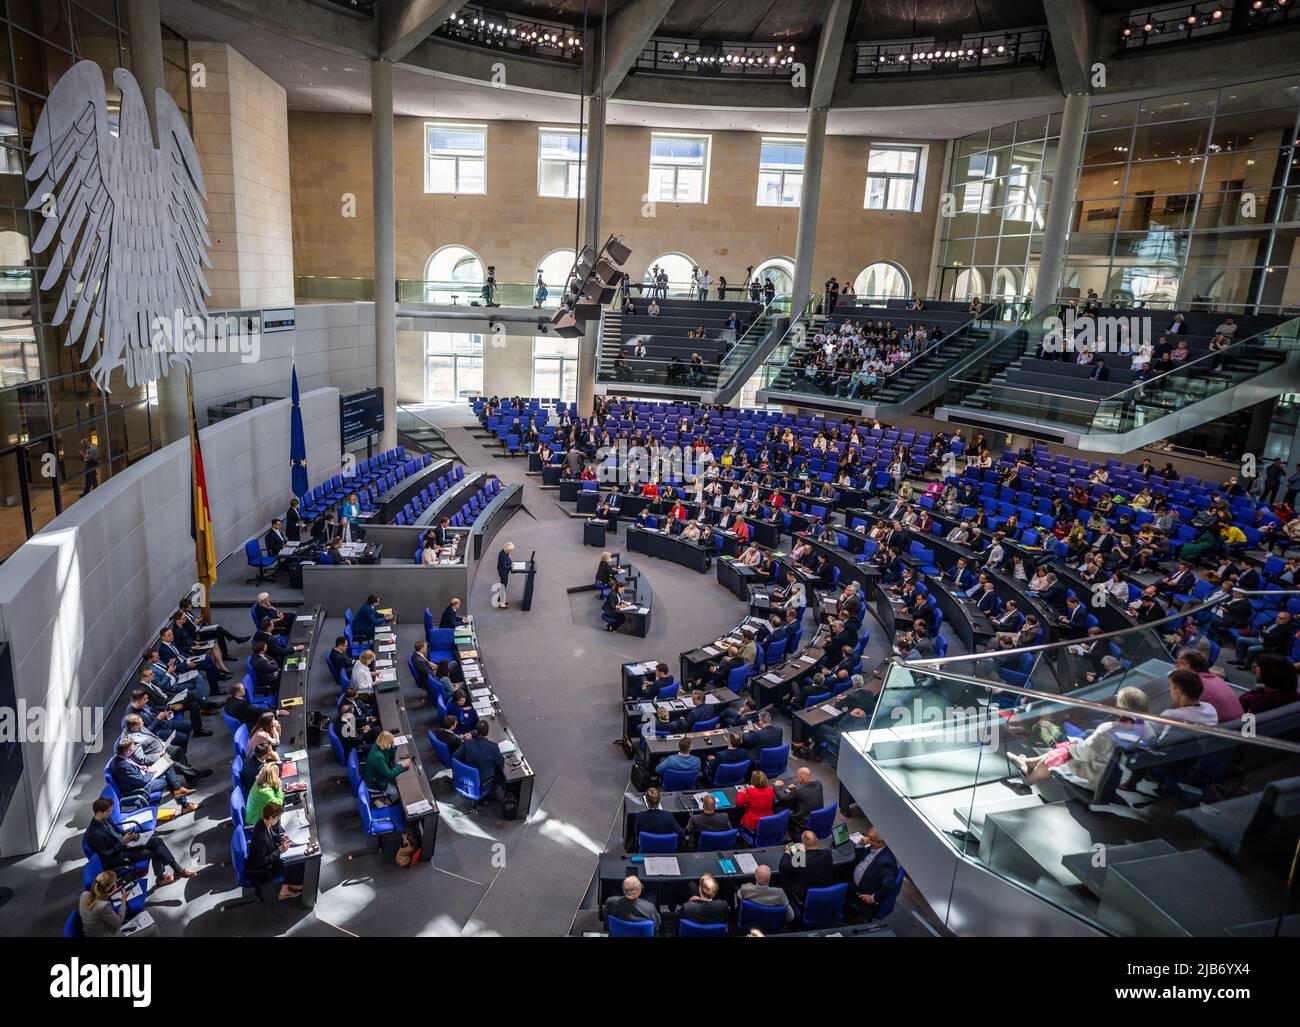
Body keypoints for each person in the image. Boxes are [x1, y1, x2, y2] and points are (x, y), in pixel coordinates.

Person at [1009, 687, 1157, 784]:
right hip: (1121, 775)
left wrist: (1073, 746)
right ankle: (1028, 763)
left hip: (1097, 774)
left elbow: (1085, 754)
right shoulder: (1148, 729)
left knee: (1064, 751)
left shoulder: (1109, 729)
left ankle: (1030, 778)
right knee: (1069, 746)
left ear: (1122, 707)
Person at [85, 796, 199, 888]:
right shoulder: (95, 834)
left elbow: (117, 830)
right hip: (117, 856)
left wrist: (131, 835)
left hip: (124, 844)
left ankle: (177, 870)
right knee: (154, 853)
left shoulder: (105, 818)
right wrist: (123, 842)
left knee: (156, 841)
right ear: (99, 813)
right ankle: (163, 877)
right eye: (109, 812)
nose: (111, 813)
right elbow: (105, 857)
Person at [245, 802, 308, 901]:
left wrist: (280, 838)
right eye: (277, 818)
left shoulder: (262, 822)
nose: (278, 820)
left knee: (295, 859)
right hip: (266, 870)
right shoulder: (261, 839)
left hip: (270, 857)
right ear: (271, 817)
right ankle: (285, 891)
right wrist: (279, 850)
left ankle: (291, 884)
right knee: (295, 863)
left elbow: (272, 835)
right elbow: (261, 862)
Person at [80, 870, 160, 938]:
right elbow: (118, 922)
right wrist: (124, 900)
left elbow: (100, 899)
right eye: (115, 884)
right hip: (108, 934)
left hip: (95, 931)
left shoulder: (85, 894)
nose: (116, 885)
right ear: (110, 889)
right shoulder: (103, 906)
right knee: (153, 928)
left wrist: (111, 893)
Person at [847, 826, 900, 920]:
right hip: (857, 880)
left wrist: (872, 898)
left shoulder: (886, 862)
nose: (867, 840)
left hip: (862, 892)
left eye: (871, 839)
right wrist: (860, 844)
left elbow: (889, 886)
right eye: (868, 836)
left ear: (882, 842)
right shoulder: (875, 847)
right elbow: (859, 858)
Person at [778, 830, 835, 904]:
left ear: (803, 845)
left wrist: (787, 852)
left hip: (806, 896)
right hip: (826, 891)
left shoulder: (802, 859)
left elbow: (783, 866)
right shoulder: (827, 853)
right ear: (817, 840)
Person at [457, 721, 507, 801]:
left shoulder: (466, 743)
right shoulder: (493, 747)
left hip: (466, 777)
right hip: (484, 781)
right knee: (501, 776)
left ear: (476, 731)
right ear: (487, 732)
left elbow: (455, 756)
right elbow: (500, 762)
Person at [363, 729, 410, 802]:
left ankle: (390, 798)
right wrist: (402, 765)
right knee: (402, 792)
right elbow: (390, 774)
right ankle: (389, 800)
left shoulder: (378, 745)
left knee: (398, 779)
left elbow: (390, 755)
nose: (391, 743)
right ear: (386, 742)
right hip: (375, 783)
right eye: (390, 742)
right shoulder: (378, 757)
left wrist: (393, 746)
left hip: (379, 776)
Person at [496, 541, 517, 608]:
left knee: (504, 586)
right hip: (503, 572)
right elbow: (504, 566)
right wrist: (511, 566)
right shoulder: (502, 555)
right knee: (503, 587)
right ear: (507, 548)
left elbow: (508, 559)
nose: (510, 551)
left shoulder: (505, 552)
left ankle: (500, 599)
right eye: (510, 550)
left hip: (504, 572)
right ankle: (501, 603)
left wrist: (511, 562)